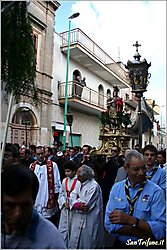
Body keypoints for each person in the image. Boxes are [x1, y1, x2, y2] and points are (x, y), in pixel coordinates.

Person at [105, 150, 166, 249]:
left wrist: (130, 220)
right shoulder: (117, 188)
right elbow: (109, 224)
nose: (141, 173)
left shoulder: (156, 192)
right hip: (121, 244)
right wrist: (143, 233)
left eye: (143, 168)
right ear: (126, 168)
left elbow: (161, 229)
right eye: (136, 169)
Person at [1, 164, 66, 249]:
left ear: (34, 201)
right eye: (10, 205)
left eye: (25, 205)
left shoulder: (52, 241)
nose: (17, 214)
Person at [68, 165, 104, 249]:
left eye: (78, 175)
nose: (76, 177)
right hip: (77, 219)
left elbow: (86, 206)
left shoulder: (94, 187)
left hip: (89, 220)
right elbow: (72, 195)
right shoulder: (78, 183)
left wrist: (75, 202)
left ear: (84, 177)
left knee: (88, 243)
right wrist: (77, 204)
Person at [29, 146, 61, 226]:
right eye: (38, 154)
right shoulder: (32, 166)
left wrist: (55, 195)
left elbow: (57, 180)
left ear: (45, 154)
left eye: (42, 153)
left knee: (48, 221)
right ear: (35, 154)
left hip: (47, 194)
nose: (40, 156)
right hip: (36, 196)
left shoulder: (53, 165)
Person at [58, 161, 81, 246]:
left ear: (74, 171)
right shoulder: (64, 181)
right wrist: (63, 202)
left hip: (74, 210)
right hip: (65, 208)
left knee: (73, 230)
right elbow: (61, 193)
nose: (66, 173)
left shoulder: (79, 181)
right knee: (63, 229)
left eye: (69, 171)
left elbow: (79, 195)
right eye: (65, 171)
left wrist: (71, 203)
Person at [101, 145, 124, 210]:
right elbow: (102, 170)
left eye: (115, 151)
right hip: (106, 185)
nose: (113, 152)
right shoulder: (109, 161)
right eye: (112, 151)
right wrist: (106, 162)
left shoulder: (121, 162)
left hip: (114, 183)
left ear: (118, 152)